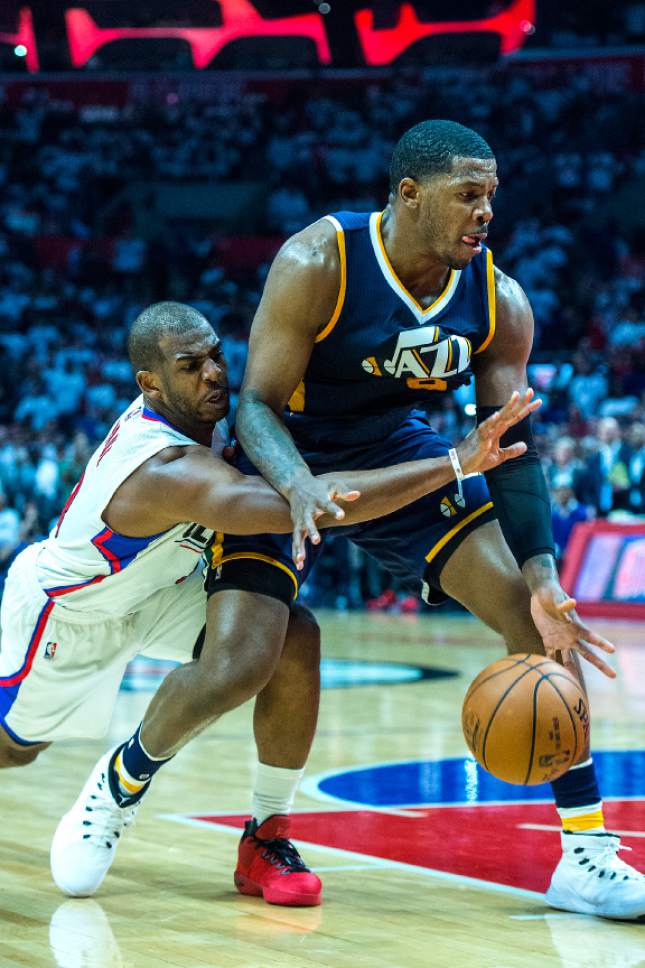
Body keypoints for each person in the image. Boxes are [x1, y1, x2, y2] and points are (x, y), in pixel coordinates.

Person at [215, 121, 641, 920]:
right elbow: (254, 407)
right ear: (409, 195)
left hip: (402, 459)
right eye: (466, 196)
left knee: (535, 615)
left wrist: (546, 572)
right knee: (243, 657)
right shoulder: (319, 261)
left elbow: (511, 447)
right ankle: (142, 796)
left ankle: (587, 855)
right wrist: (300, 483)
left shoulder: (497, 300)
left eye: (490, 197)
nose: (485, 213)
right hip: (292, 461)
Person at [0, 301, 532, 905]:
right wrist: (454, 463)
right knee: (17, 750)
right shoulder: (162, 467)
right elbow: (313, 505)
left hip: (157, 592)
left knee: (289, 640)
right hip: (70, 613)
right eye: (189, 366)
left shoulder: (224, 419)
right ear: (150, 384)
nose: (213, 374)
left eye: (215, 356)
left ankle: (214, 815)